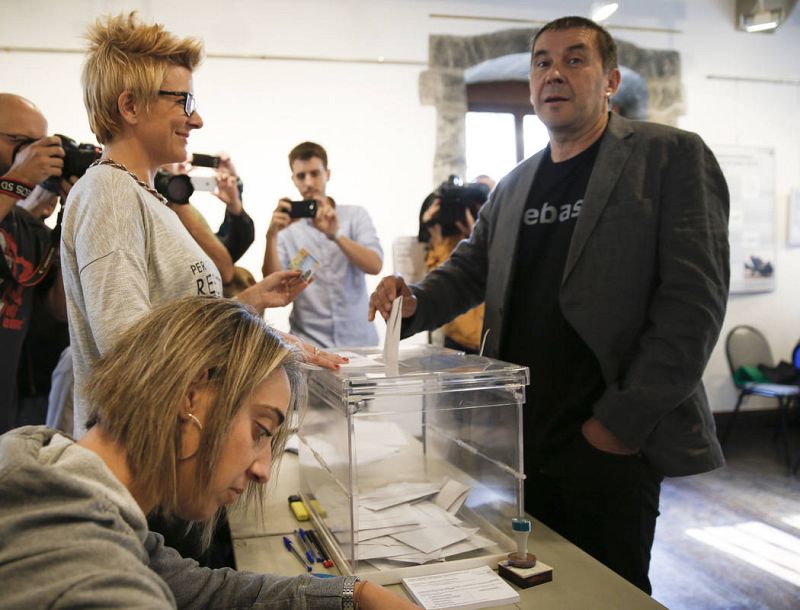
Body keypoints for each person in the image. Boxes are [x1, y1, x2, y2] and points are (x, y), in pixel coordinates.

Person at [370, 15, 730, 594]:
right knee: (539, 585)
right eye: (541, 61)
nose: (553, 73)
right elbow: (467, 272)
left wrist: (617, 425)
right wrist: (411, 303)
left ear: (610, 79)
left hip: (610, 440)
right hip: (521, 440)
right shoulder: (514, 185)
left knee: (610, 592)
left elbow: (694, 305)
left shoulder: (670, 158)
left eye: (574, 59)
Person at [0, 297, 418, 610]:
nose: (262, 471)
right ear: (192, 397)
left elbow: (208, 591)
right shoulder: (103, 585)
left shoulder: (45, 463)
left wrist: (355, 593)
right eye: (261, 431)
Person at [61, 12, 319, 438]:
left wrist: (247, 305)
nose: (195, 120)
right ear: (130, 106)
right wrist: (260, 346)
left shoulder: (146, 197)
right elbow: (132, 351)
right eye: (183, 101)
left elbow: (171, 322)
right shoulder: (108, 190)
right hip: (145, 462)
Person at [263, 141, 383, 348]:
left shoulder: (355, 216)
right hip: (309, 345)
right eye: (301, 176)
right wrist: (271, 236)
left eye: (315, 173)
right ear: (293, 179)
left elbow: (375, 265)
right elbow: (272, 286)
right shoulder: (286, 229)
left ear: (327, 174)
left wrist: (336, 234)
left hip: (360, 342)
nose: (309, 182)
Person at [0, 93, 68, 434]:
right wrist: (18, 178)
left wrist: (76, 214)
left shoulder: (26, 229)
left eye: (39, 145)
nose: (33, 155)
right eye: (19, 142)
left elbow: (59, 309)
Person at [417, 177, 489, 353]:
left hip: (483, 337)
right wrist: (435, 234)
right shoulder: (445, 242)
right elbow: (439, 282)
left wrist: (477, 235)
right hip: (456, 339)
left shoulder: (489, 237)